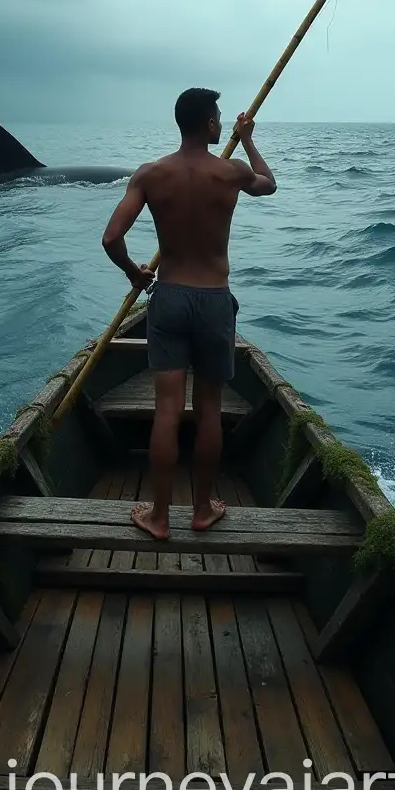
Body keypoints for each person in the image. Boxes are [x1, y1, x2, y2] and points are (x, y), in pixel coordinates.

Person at [101, 87, 277, 539]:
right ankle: (202, 511)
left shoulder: (151, 174)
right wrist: (250, 138)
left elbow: (111, 239)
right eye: (218, 118)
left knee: (167, 411)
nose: (222, 124)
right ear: (209, 124)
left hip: (170, 298)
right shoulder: (231, 171)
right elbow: (268, 183)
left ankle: (159, 517)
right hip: (215, 300)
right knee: (210, 410)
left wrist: (133, 275)